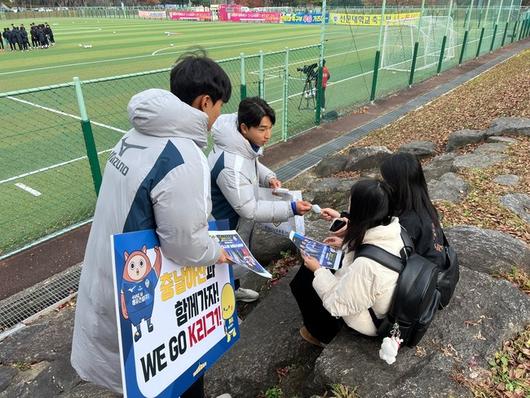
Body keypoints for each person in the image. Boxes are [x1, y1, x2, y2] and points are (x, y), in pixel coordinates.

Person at [71, 51, 232, 397]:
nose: (219, 116)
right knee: (176, 377)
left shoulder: (133, 135)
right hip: (144, 288)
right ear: (205, 102)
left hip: (112, 275)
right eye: (219, 106)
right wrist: (220, 252)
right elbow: (185, 244)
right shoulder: (183, 154)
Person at [208, 97, 312, 302]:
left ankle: (234, 291)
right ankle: (224, 309)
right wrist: (290, 208)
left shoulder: (238, 144)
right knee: (223, 263)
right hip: (222, 220)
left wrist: (268, 177)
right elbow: (249, 209)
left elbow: (251, 164)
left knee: (233, 259)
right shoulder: (231, 165)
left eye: (270, 128)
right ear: (244, 127)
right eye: (262, 129)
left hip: (232, 215)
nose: (268, 135)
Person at [290, 179, 403, 347]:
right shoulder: (392, 228)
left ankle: (323, 334)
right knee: (313, 271)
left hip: (371, 319)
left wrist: (318, 271)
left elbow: (338, 304)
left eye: (351, 205)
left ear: (361, 212)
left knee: (304, 282)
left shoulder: (366, 266)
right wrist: (345, 243)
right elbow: (369, 245)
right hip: (381, 297)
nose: (348, 209)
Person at [379, 152, 446, 268]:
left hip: (419, 279)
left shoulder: (407, 223)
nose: (382, 184)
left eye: (385, 180)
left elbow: (386, 258)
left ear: (396, 184)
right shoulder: (422, 205)